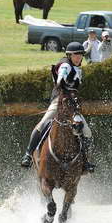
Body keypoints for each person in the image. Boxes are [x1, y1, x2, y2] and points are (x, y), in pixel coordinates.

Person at [20, 42, 95, 173]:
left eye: (80, 55)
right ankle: (28, 155)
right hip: (58, 103)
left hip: (72, 106)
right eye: (75, 55)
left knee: (87, 132)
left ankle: (85, 162)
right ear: (69, 55)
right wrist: (60, 80)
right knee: (42, 124)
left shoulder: (78, 68)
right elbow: (62, 73)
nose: (78, 57)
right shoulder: (65, 64)